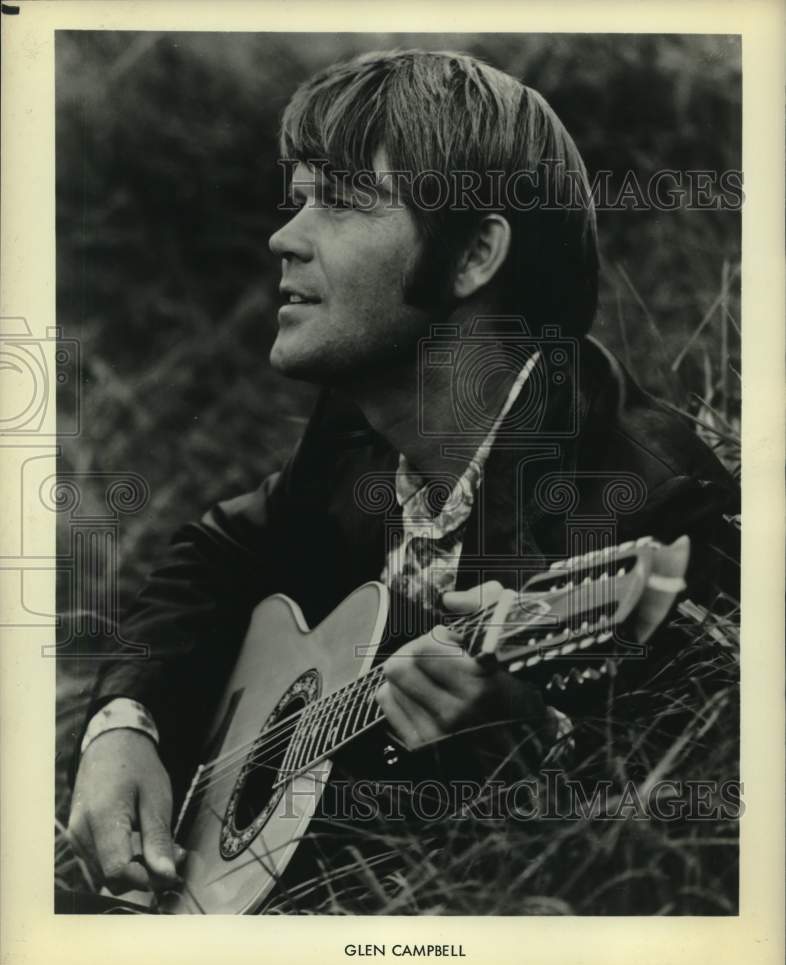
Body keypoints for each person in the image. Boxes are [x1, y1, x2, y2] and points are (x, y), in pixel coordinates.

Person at [66, 49, 739, 904]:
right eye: (298, 196)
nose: (284, 235)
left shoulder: (658, 507)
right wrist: (125, 723)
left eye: (340, 200)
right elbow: (221, 550)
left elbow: (685, 854)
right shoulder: (359, 420)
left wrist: (528, 745)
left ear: (472, 256)